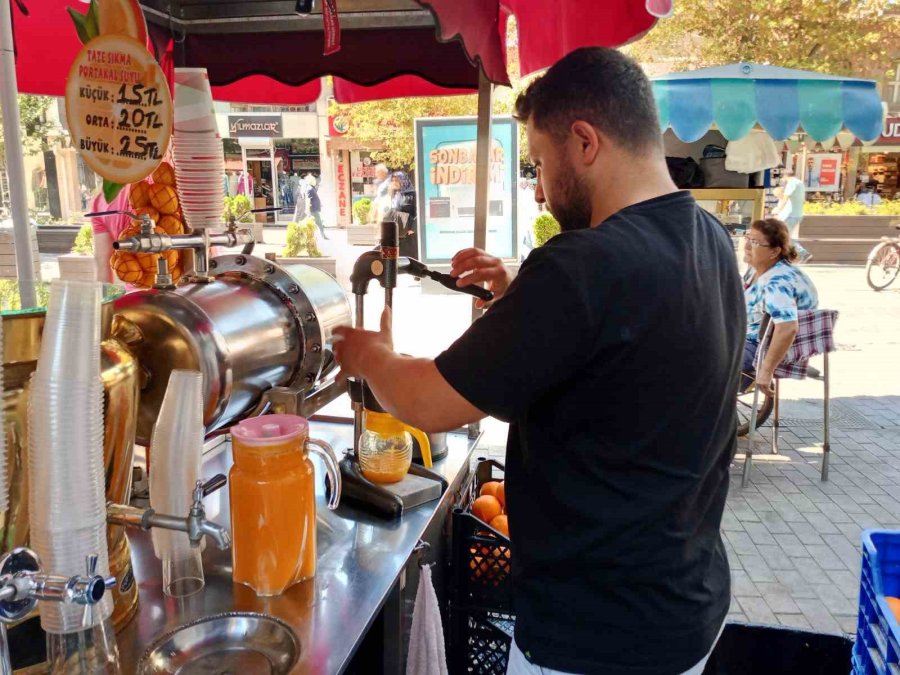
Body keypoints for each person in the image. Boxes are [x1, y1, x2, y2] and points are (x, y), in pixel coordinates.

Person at [334, 47, 744, 675]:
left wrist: (373, 355)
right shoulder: (709, 239)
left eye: (541, 163)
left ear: (584, 142)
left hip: (595, 638)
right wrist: (517, 290)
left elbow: (426, 402)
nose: (542, 186)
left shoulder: (582, 265)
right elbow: (626, 334)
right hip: (684, 603)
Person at [741, 218, 819, 393]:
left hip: (757, 347)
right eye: (747, 238)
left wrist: (766, 371)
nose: (746, 245)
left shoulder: (777, 282)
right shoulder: (759, 270)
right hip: (747, 337)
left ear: (774, 251)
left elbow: (788, 328)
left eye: (754, 242)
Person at [774, 170, 813, 263]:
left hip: (790, 214)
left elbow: (785, 198)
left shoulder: (791, 183)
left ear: (785, 176)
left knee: (785, 236)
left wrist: (778, 209)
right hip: (798, 213)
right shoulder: (800, 183)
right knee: (785, 236)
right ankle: (786, 256)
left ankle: (803, 253)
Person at [388, 171, 418, 258]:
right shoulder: (396, 195)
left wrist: (413, 228)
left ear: (403, 181)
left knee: (410, 257)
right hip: (398, 231)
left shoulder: (412, 195)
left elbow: (418, 211)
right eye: (392, 180)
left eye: (396, 180)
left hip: (409, 233)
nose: (394, 183)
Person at [293, 174, 328, 240]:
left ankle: (322, 235)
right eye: (314, 180)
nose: (315, 181)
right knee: (313, 222)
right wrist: (307, 210)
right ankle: (299, 236)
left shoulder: (311, 188)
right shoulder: (309, 188)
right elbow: (308, 199)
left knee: (317, 222)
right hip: (312, 209)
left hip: (313, 208)